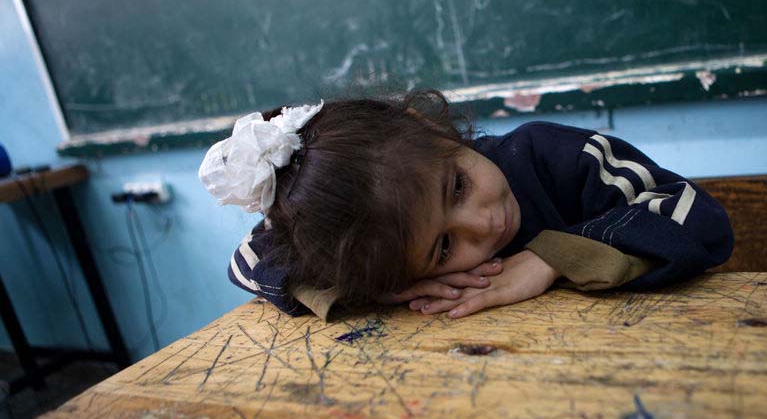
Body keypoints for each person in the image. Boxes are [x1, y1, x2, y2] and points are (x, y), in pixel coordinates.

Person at [199, 90, 733, 320]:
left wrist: (553, 257)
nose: (486, 221)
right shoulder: (387, 253)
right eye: (444, 247)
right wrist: (377, 282)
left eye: (456, 186)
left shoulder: (556, 156)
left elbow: (696, 216)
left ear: (430, 128)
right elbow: (248, 262)